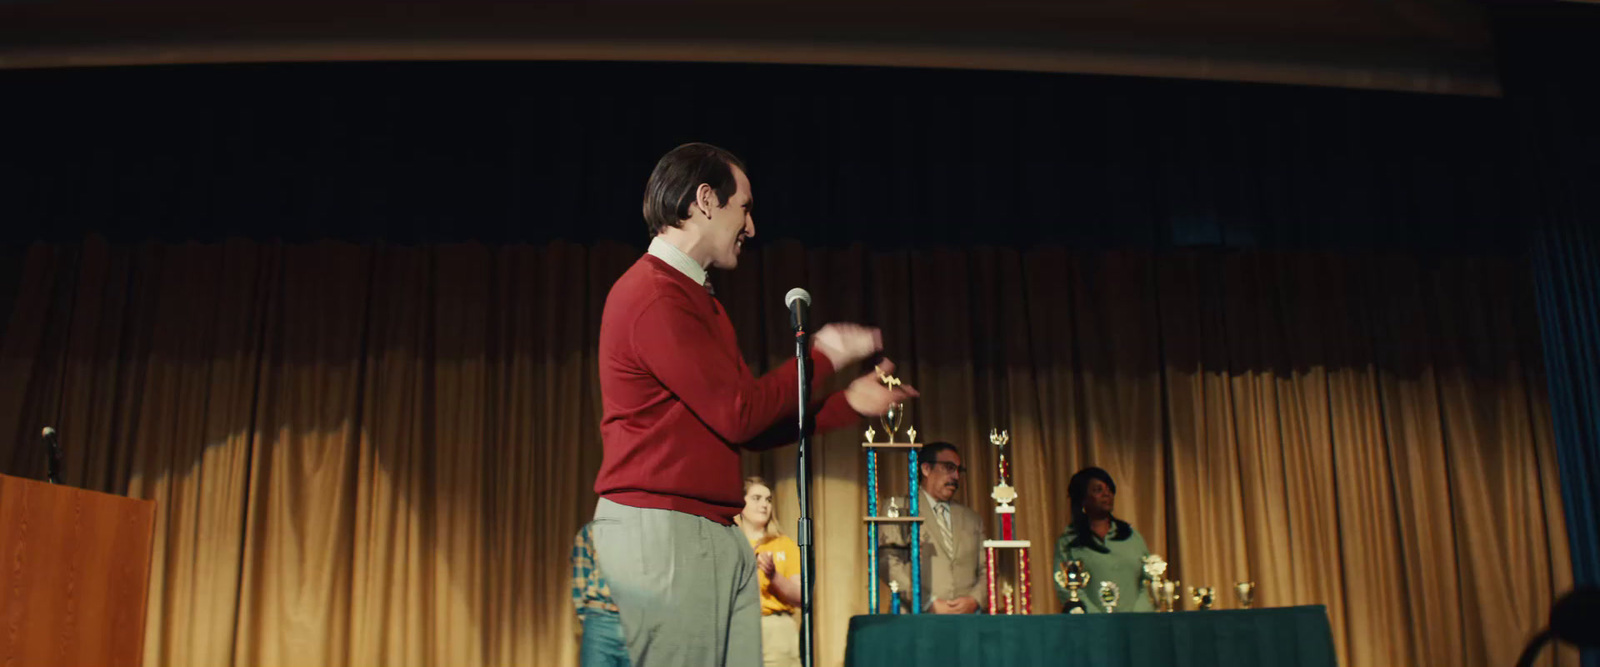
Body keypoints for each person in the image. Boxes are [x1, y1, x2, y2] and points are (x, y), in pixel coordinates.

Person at [590, 142, 916, 667]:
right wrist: (825, 354)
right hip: (667, 528)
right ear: (704, 200)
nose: (752, 227)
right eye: (744, 206)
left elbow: (745, 424)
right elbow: (739, 411)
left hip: (710, 530)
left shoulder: (697, 298)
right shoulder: (654, 295)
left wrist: (846, 405)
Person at [878, 441, 986, 614]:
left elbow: (986, 567)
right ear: (926, 469)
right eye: (949, 468)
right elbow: (888, 563)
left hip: (967, 621)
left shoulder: (972, 519)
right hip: (916, 619)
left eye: (959, 470)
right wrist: (927, 602)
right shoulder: (898, 508)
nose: (956, 477)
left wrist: (975, 600)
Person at [1052, 466, 1154, 613]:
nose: (1107, 494)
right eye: (1098, 490)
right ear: (1082, 499)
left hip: (1136, 624)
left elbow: (1148, 580)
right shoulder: (1068, 543)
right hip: (1092, 627)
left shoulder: (1131, 536)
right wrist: (1097, 619)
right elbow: (1066, 588)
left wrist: (1139, 614)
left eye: (1110, 490)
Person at [736, 477, 802, 667]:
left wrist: (774, 576)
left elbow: (800, 596)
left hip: (775, 630)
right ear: (741, 503)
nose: (764, 505)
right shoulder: (730, 542)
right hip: (738, 627)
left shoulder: (783, 544)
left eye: (768, 500)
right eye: (756, 498)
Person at [572, 523, 630, 667]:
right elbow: (580, 578)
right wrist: (588, 618)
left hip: (639, 619)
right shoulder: (591, 530)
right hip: (600, 618)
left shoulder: (649, 530)